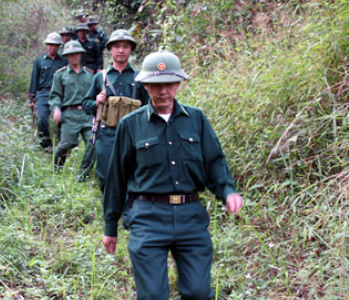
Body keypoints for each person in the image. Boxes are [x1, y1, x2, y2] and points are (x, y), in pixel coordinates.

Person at [102, 51, 244, 300]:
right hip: (148, 218)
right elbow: (117, 178)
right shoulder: (131, 125)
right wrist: (110, 226)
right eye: (156, 85)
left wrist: (227, 191)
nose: (163, 90)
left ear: (178, 83)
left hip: (190, 217)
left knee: (199, 293)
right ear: (145, 85)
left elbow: (214, 162)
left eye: (169, 83)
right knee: (153, 295)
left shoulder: (196, 119)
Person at [82, 29, 150, 192]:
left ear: (131, 50)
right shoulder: (101, 77)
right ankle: (109, 213)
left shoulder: (140, 77)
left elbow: (149, 108)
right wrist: (96, 101)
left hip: (134, 136)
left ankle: (128, 212)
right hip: (106, 136)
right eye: (117, 46)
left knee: (132, 176)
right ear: (110, 49)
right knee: (105, 175)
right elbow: (85, 104)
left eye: (126, 46)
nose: (121, 50)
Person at [49, 41, 95, 180]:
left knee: (93, 143)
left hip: (87, 115)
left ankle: (82, 175)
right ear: (67, 57)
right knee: (66, 145)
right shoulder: (60, 75)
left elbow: (95, 94)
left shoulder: (90, 75)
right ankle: (56, 170)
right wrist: (56, 109)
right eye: (70, 55)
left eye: (76, 54)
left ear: (80, 54)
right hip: (69, 115)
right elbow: (55, 96)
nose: (74, 57)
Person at [28, 32, 68, 151]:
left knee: (63, 119)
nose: (53, 47)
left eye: (56, 45)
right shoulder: (39, 61)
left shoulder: (64, 61)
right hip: (43, 94)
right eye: (50, 45)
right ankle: (47, 145)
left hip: (60, 94)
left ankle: (62, 145)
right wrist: (32, 98)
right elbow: (34, 79)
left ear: (60, 46)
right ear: (46, 45)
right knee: (42, 119)